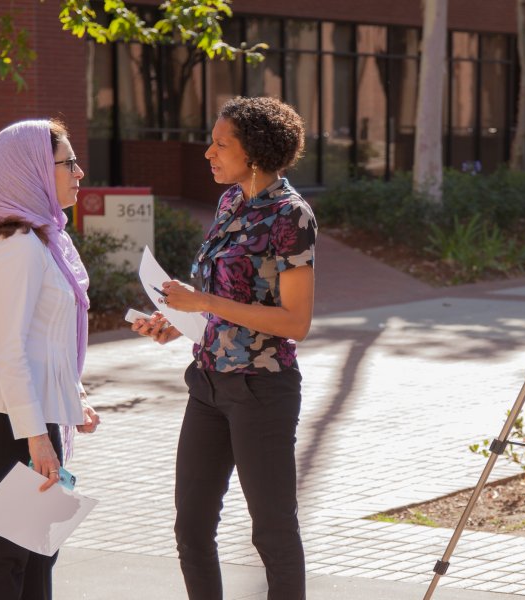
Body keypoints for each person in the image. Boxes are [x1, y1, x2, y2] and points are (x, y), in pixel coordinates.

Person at [132, 96, 315, 600]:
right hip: (208, 385)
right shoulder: (230, 201)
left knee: (272, 531)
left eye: (220, 144)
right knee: (190, 528)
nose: (208, 153)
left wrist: (204, 300)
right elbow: (224, 304)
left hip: (262, 391)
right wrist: (177, 320)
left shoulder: (290, 216)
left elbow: (296, 322)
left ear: (253, 151)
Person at [0, 118, 101, 599]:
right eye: (68, 163)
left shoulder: (45, 241)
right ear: (32, 170)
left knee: (39, 551)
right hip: (4, 416)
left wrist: (74, 396)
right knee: (8, 553)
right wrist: (37, 438)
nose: (79, 173)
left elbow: (45, 339)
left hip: (29, 412)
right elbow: (9, 347)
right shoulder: (19, 248)